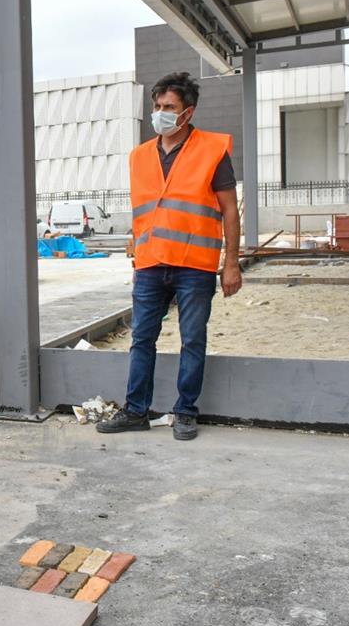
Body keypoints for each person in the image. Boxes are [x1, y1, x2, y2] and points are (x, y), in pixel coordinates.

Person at [98, 71, 242, 442]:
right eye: (157, 106)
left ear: (187, 113)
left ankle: (185, 411)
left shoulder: (212, 151)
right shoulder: (140, 156)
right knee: (141, 339)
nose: (160, 113)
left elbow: (229, 210)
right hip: (150, 265)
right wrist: (137, 258)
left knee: (192, 339)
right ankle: (135, 410)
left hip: (195, 265)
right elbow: (144, 213)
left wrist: (231, 263)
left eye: (169, 107)